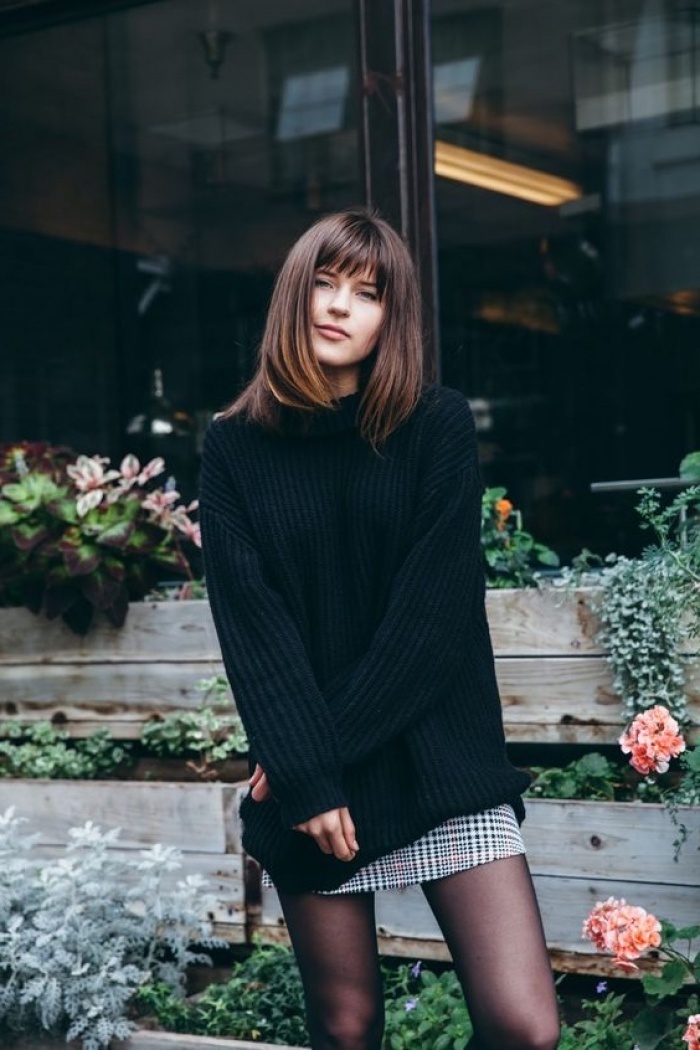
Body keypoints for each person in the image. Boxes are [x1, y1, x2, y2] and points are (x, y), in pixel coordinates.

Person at [199, 208, 560, 1050]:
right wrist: (309, 781)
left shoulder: (435, 426)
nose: (339, 305)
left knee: (524, 1025)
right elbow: (253, 628)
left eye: (366, 294)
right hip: (318, 786)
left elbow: (429, 627)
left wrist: (309, 764)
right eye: (324, 283)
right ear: (295, 294)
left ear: (390, 319)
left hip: (439, 755)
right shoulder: (233, 448)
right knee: (349, 1026)